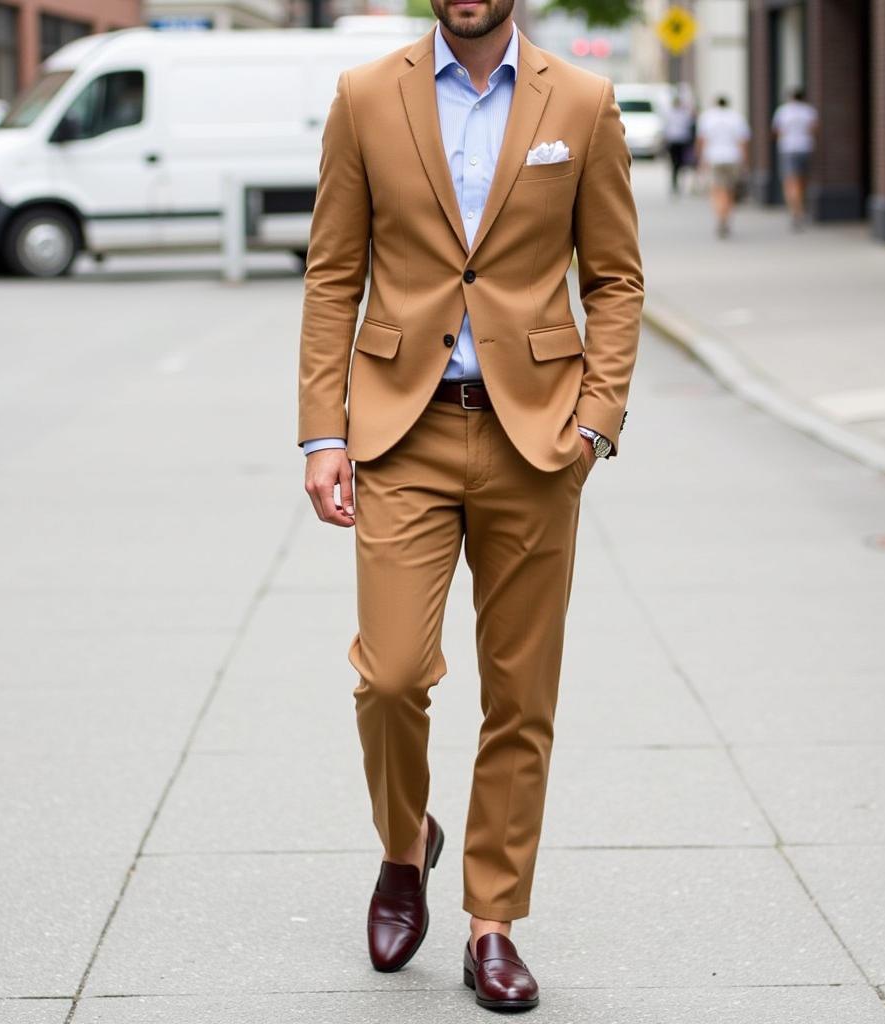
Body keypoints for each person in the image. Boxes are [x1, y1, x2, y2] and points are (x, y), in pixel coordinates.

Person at [297, 2, 643, 1013]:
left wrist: (596, 416)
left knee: (519, 694)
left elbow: (614, 277)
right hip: (400, 431)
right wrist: (324, 431)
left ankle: (492, 922)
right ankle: (404, 846)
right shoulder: (365, 97)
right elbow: (333, 274)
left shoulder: (580, 100)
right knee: (392, 675)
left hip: (533, 437)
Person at [695, 94, 750, 238]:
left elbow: (702, 141)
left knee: (717, 191)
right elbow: (742, 142)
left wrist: (700, 160)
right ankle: (726, 218)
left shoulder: (707, 118)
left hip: (714, 158)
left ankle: (720, 217)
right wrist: (744, 162)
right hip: (732, 157)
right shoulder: (736, 118)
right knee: (730, 191)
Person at [771, 87, 818, 229]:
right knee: (802, 180)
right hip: (805, 147)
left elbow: (776, 130)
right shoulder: (808, 111)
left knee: (790, 182)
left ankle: (795, 211)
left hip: (788, 148)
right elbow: (814, 129)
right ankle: (801, 208)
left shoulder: (783, 111)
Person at [663, 93, 695, 195]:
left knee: (681, 163)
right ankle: (675, 183)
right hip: (675, 141)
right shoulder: (671, 113)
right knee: (675, 163)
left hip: (681, 140)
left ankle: (678, 183)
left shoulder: (683, 113)